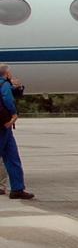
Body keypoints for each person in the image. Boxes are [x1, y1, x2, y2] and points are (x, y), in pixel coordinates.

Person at [0, 64, 33, 200]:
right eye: (9, 72)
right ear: (6, 73)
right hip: (4, 124)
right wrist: (14, 114)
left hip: (3, 126)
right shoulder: (4, 85)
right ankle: (17, 188)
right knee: (12, 157)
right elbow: (7, 99)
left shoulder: (5, 85)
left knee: (11, 155)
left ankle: (18, 188)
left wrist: (17, 88)